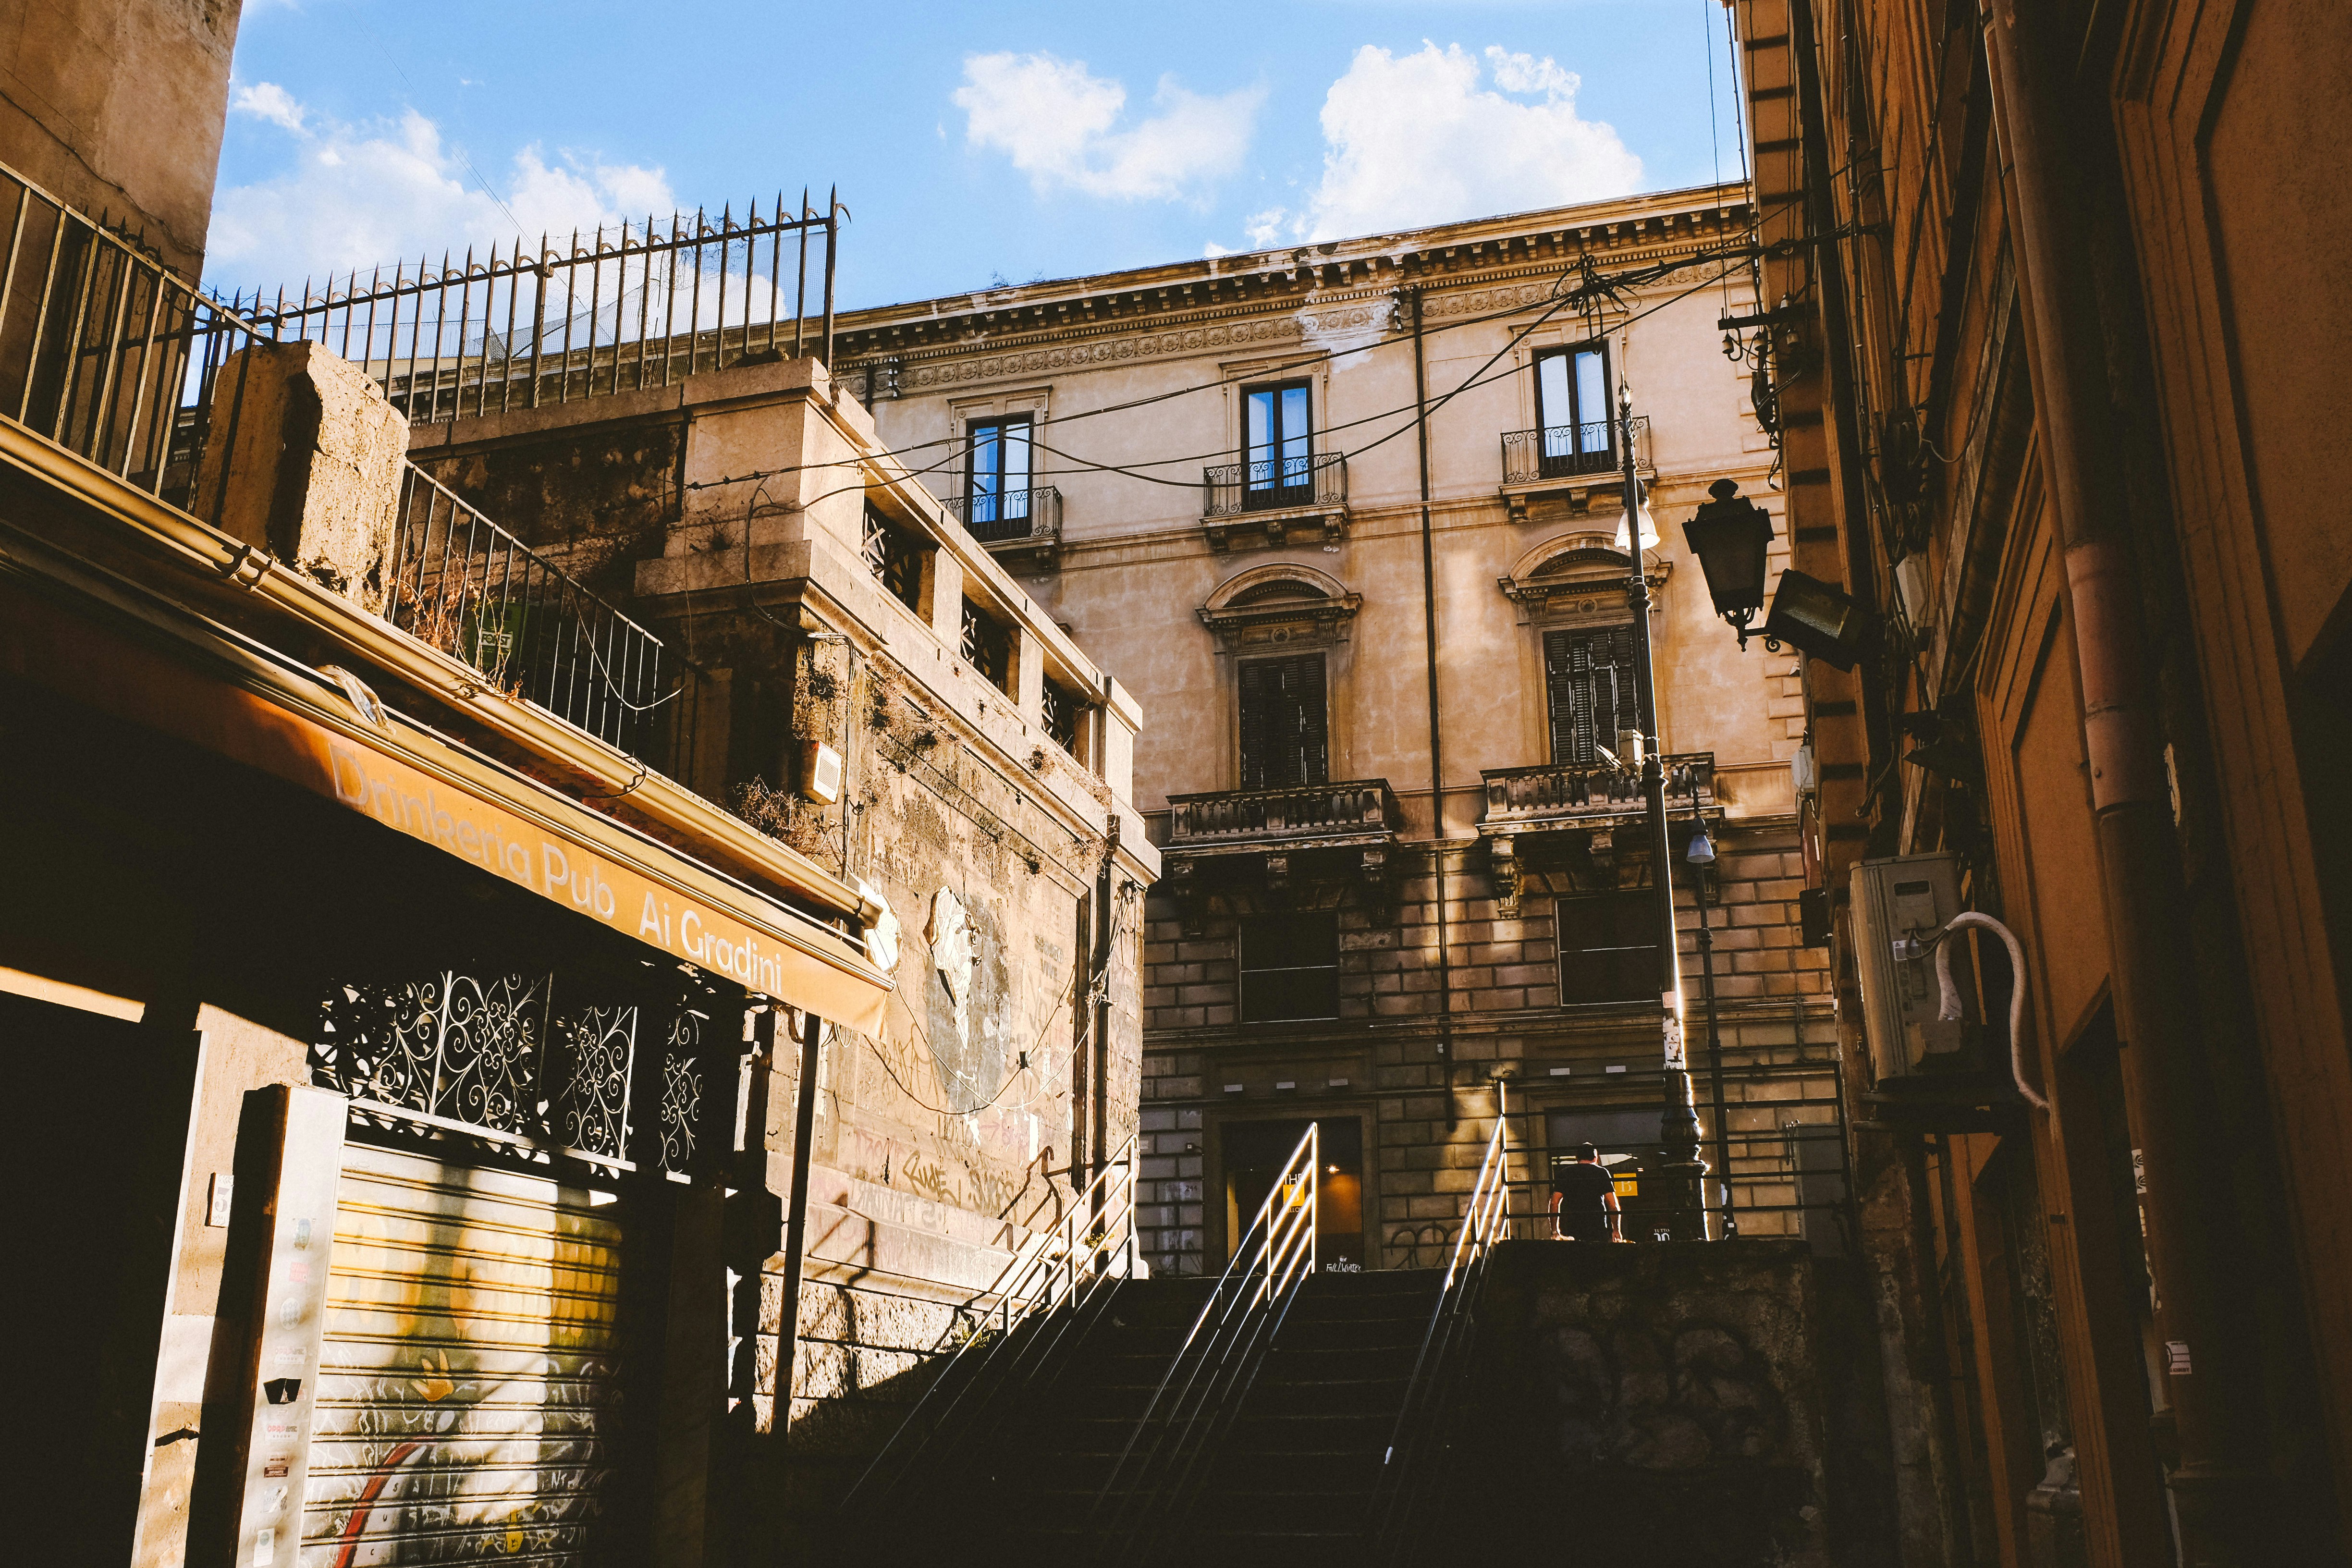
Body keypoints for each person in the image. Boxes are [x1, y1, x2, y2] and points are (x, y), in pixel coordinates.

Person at [1549, 1143, 1624, 1241]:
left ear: (1577, 1158)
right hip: (1598, 1227)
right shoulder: (1602, 1173)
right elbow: (1613, 1205)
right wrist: (1616, 1230)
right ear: (1595, 1158)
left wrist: (1555, 1231)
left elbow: (1554, 1203)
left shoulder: (1565, 1173)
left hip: (1573, 1227)